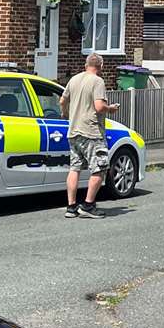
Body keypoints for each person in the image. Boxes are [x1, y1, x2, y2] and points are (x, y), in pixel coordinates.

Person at [60, 52, 119, 219]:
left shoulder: (75, 79)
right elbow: (99, 107)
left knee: (75, 168)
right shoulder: (97, 81)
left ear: (86, 65)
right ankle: (88, 205)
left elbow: (62, 101)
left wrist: (65, 114)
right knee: (100, 168)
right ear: (100, 67)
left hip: (74, 131)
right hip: (91, 132)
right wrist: (111, 108)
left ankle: (71, 207)